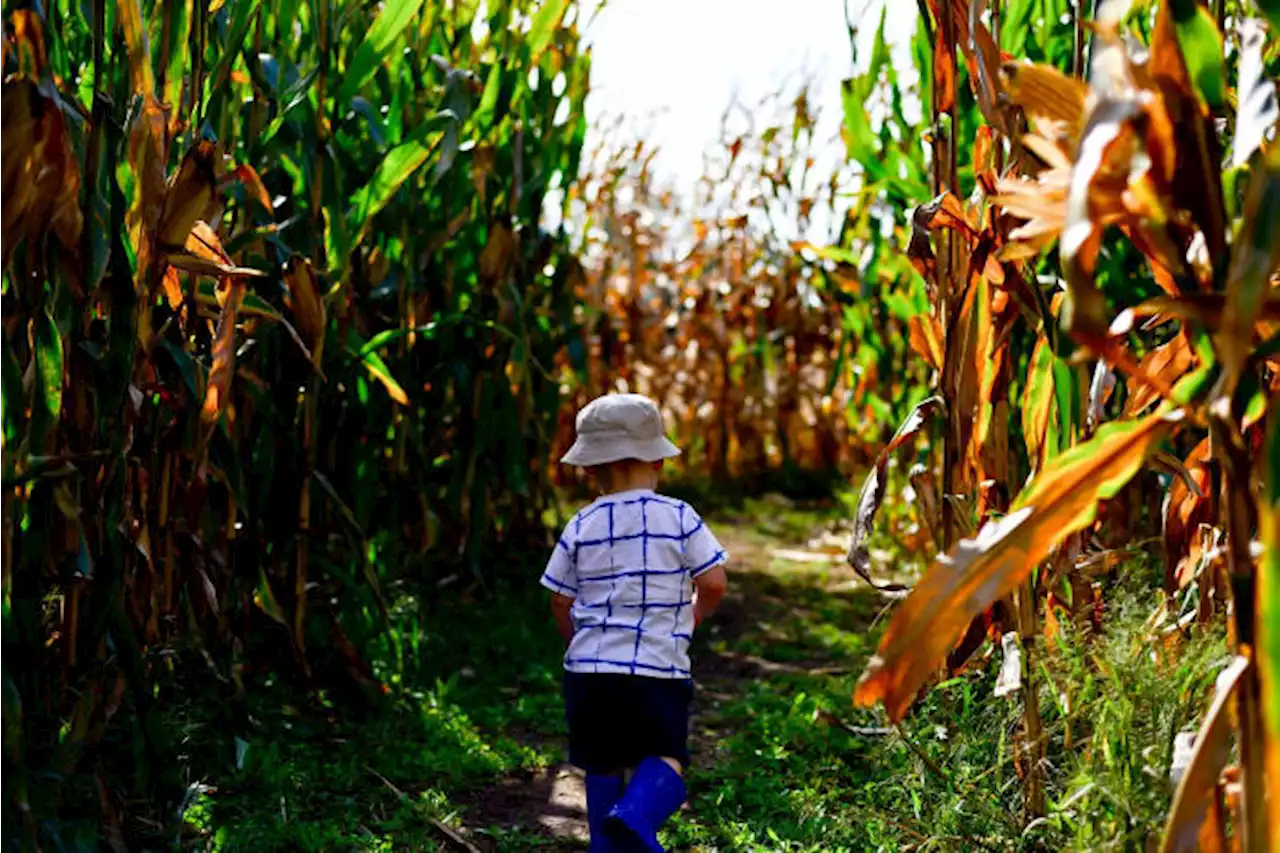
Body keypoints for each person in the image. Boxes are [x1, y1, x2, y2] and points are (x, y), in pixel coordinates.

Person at [541, 393, 729, 853]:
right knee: (665, 754)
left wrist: (577, 645)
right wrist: (694, 615)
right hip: (656, 669)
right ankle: (636, 815)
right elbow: (716, 581)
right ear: (658, 462)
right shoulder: (680, 516)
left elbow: (559, 600)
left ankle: (606, 844)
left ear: (591, 470)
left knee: (601, 763)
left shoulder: (580, 523)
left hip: (589, 675)